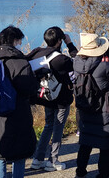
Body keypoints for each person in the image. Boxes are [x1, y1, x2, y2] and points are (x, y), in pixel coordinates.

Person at [0, 26, 39, 178]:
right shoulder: (19, 61)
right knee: (20, 151)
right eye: (19, 40)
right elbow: (29, 88)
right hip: (18, 111)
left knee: (0, 151)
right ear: (15, 40)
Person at [28, 26, 77, 172]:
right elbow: (78, 62)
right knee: (58, 127)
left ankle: (37, 159)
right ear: (60, 40)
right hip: (61, 99)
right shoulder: (62, 59)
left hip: (45, 96)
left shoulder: (37, 52)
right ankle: (53, 160)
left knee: (48, 125)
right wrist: (70, 44)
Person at [73, 33, 109, 178]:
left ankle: (80, 171)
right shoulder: (104, 67)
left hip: (85, 109)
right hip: (104, 111)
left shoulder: (76, 63)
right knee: (105, 146)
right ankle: (103, 173)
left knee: (85, 143)